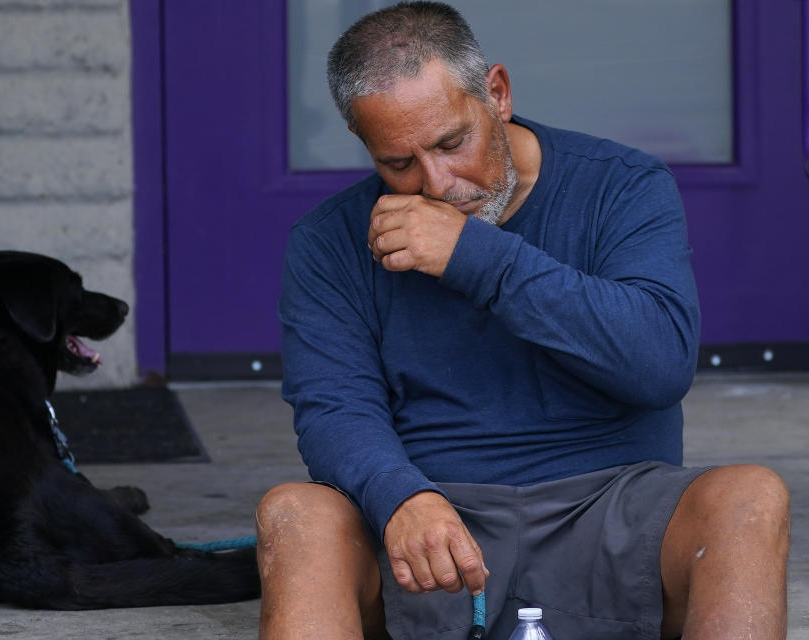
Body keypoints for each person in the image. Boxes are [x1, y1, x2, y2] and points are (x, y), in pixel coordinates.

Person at [256, 2, 790, 639]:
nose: (436, 183)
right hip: (431, 522)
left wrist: (476, 258)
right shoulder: (330, 241)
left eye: (452, 143)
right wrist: (400, 495)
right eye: (398, 163)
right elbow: (335, 407)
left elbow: (659, 364)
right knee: (295, 513)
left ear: (498, 94)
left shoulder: (622, 186)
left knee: (749, 498)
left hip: (614, 506)